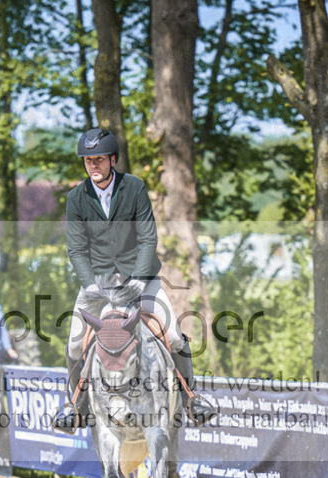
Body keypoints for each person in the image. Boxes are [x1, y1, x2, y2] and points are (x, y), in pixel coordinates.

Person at [52, 128, 216, 434]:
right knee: (75, 343)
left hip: (141, 278)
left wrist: (140, 279)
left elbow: (147, 237)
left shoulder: (134, 187)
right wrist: (88, 283)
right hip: (97, 283)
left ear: (112, 159)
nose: (94, 166)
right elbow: (75, 246)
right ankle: (76, 407)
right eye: (88, 161)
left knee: (176, 337)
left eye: (99, 159)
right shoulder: (76, 197)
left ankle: (192, 400)